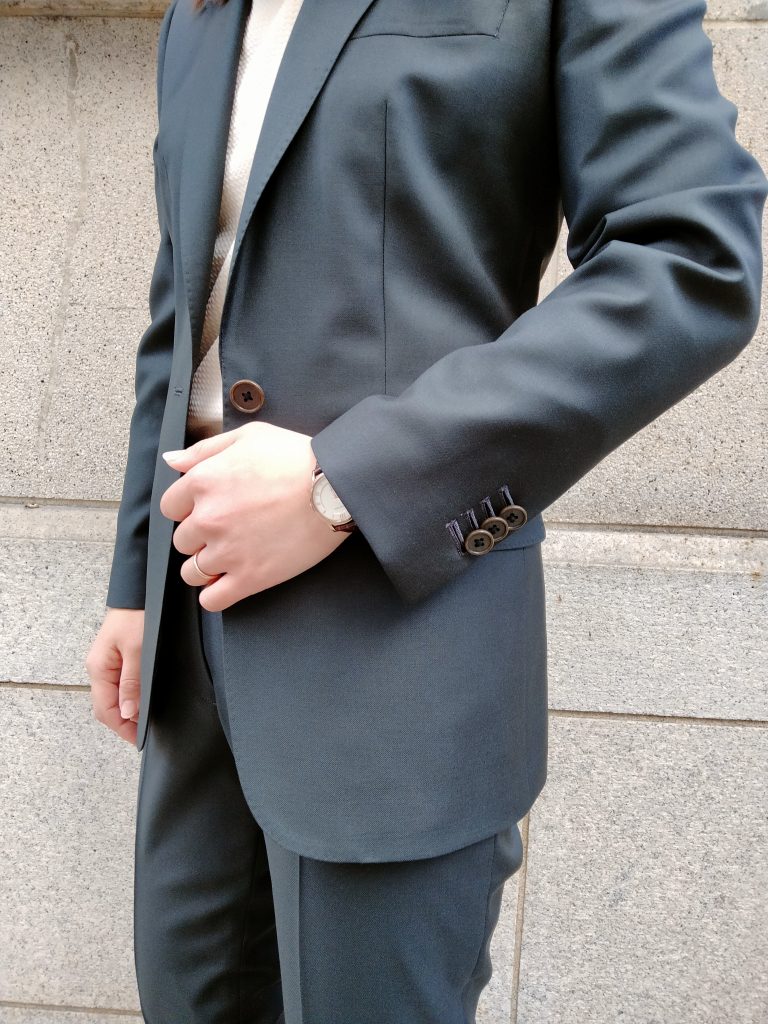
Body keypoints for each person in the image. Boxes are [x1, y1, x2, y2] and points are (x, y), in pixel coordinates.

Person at [85, 0, 767, 1020]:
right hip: (195, 648)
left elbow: (689, 258)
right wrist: (135, 582)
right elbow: (189, 309)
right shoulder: (201, 15)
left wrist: (343, 483)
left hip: (397, 666)